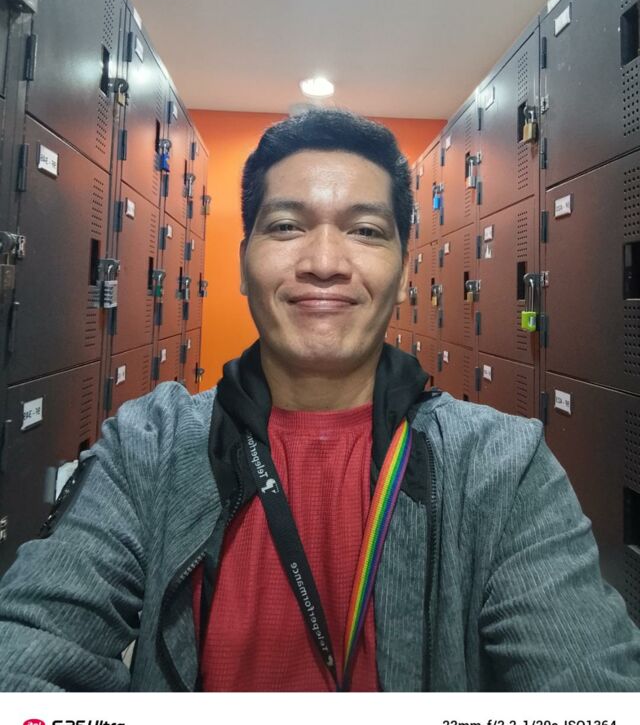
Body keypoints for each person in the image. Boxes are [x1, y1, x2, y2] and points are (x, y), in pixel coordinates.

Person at [0, 108, 639, 692]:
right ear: (243, 261)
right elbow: (29, 649)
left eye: (365, 230)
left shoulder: (500, 467)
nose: (325, 261)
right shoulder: (148, 448)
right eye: (286, 226)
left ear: (403, 268)